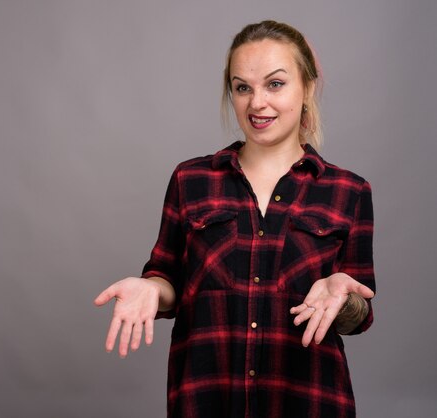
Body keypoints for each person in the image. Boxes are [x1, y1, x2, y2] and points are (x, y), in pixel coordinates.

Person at [94, 20, 375, 418]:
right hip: (206, 400)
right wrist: (151, 290)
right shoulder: (190, 180)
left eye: (275, 84)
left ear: (308, 88)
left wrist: (344, 297)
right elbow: (168, 278)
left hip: (309, 402)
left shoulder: (350, 191)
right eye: (243, 87)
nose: (256, 103)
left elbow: (358, 317)